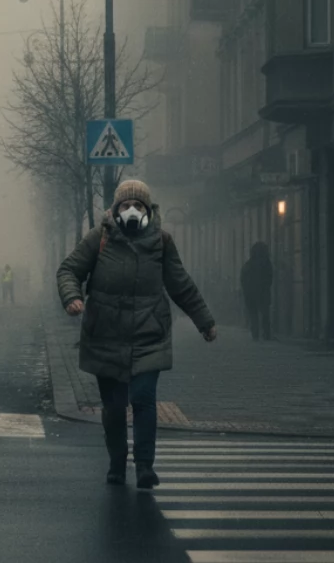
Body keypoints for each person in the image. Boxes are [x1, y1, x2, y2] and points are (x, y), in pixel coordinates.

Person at [57, 180, 217, 489]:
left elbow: (180, 284)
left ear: (148, 210)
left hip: (148, 336)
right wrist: (71, 297)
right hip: (105, 337)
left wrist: (205, 322)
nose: (132, 210)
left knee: (144, 399)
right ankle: (117, 462)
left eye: (139, 205)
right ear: (115, 210)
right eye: (126, 205)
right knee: (115, 408)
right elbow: (68, 270)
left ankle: (145, 466)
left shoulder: (162, 242)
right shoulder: (99, 239)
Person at [241, 241, 273, 341]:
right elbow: (270, 278)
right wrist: (265, 287)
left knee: (253, 315)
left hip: (250, 294)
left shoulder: (248, 264)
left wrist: (246, 290)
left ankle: (255, 334)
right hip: (263, 292)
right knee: (265, 314)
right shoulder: (267, 263)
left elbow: (243, 279)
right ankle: (266, 334)